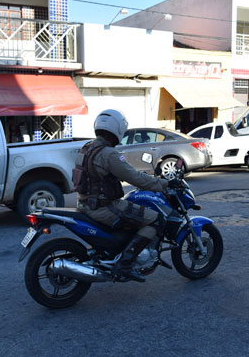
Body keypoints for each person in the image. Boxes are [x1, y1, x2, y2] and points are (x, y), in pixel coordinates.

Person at [72, 109, 179, 282]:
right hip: (104, 208)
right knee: (156, 220)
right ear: (118, 129)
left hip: (84, 204)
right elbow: (136, 179)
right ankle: (125, 264)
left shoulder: (86, 149)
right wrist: (165, 184)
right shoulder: (109, 154)